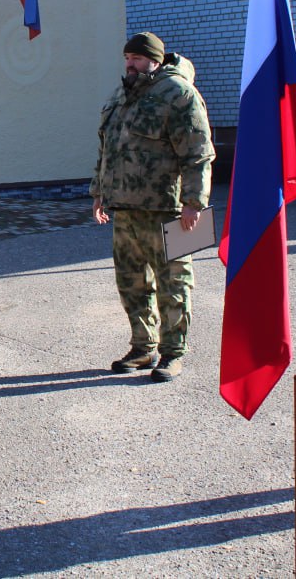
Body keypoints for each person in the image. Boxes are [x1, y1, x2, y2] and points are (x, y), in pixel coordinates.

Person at [91, 32, 214, 383]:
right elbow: (106, 148)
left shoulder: (179, 94)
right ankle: (143, 346)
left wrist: (195, 203)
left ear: (155, 61)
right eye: (127, 57)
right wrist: (98, 192)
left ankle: (173, 353)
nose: (130, 64)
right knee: (131, 282)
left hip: (170, 209)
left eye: (138, 58)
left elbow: (198, 152)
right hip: (125, 209)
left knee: (174, 283)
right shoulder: (121, 95)